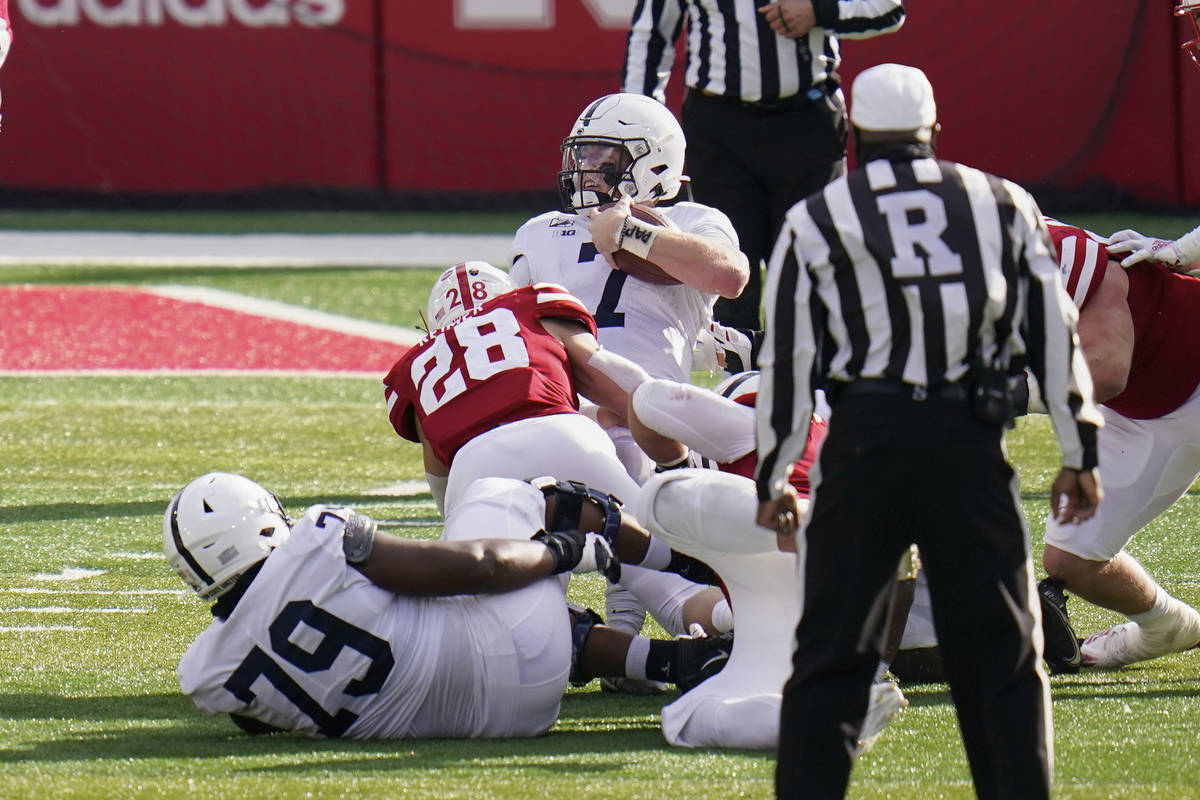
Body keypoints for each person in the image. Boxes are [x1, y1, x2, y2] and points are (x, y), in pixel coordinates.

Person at [753, 64, 1103, 799]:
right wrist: (1080, 448)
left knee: (831, 659)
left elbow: (787, 356)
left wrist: (776, 473)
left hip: (865, 441)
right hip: (965, 439)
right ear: (933, 132)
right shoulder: (1000, 201)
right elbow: (1053, 330)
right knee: (1004, 658)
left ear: (854, 136)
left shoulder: (817, 216)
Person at [165, 471, 734, 738]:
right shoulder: (319, 539)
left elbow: (257, 715)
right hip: (523, 654)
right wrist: (563, 551)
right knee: (514, 495)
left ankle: (678, 662)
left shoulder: (209, 675)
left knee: (473, 619)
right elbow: (480, 565)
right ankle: (703, 567)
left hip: (499, 723)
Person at [508, 92, 749, 649]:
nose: (586, 168)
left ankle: (634, 629)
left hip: (651, 423)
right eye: (582, 155)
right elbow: (514, 327)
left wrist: (632, 233)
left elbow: (729, 276)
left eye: (604, 157)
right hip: (562, 411)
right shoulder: (541, 230)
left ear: (653, 163)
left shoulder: (692, 220)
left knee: (676, 590)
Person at [382, 262, 723, 643]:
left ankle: (603, 653)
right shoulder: (532, 303)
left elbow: (442, 481)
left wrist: (466, 522)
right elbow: (610, 377)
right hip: (565, 438)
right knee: (674, 588)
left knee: (482, 619)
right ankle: (735, 623)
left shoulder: (417, 364)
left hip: (475, 470)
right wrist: (675, 428)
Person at [626, 372, 910, 753]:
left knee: (656, 499)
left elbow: (647, 399)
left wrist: (676, 462)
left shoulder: (754, 424)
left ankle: (810, 522)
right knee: (685, 718)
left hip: (801, 533)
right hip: (816, 599)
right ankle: (829, 719)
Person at [621, 0, 906, 332]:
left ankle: (810, 365)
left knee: (814, 273)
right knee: (726, 278)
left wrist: (819, 10)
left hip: (807, 121)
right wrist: (639, 125)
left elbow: (888, 8)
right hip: (719, 129)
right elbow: (651, 30)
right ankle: (738, 366)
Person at [1034, 218, 1200, 669]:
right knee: (1071, 560)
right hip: (1137, 414)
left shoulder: (1048, 250)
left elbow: (1106, 371)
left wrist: (1186, 249)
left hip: (1187, 366)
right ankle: (1170, 627)